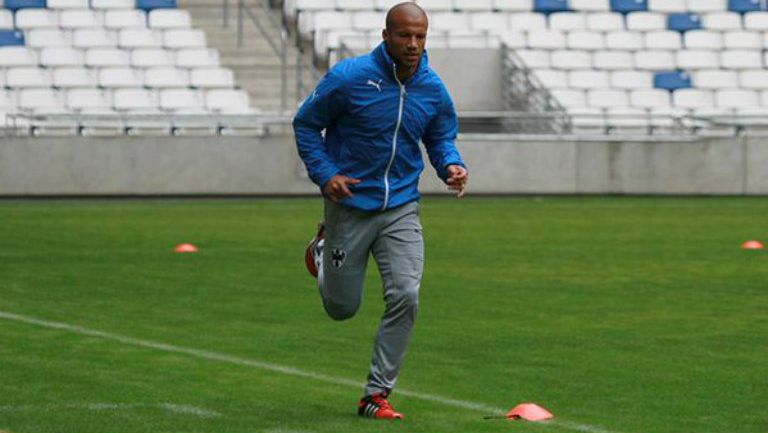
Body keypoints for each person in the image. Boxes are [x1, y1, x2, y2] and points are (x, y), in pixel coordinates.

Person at [293, 1, 468, 420]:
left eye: (420, 36)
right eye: (405, 35)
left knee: (406, 295)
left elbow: (440, 136)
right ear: (386, 34)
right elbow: (305, 124)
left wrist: (451, 165)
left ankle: (376, 394)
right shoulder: (349, 78)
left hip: (402, 208)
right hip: (349, 206)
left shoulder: (432, 88)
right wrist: (326, 174)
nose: (413, 44)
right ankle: (322, 251)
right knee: (341, 308)